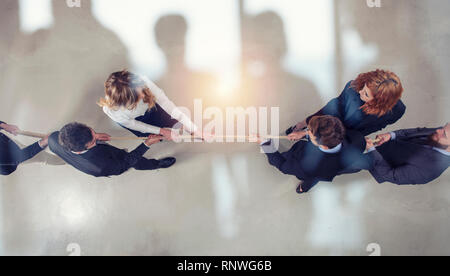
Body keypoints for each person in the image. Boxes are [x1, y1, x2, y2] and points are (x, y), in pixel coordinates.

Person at [255, 115, 370, 194]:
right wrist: (304, 134)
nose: (307, 130)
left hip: (315, 170)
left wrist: (265, 143)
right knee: (317, 176)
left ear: (322, 144)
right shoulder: (357, 139)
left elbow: (282, 165)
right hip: (332, 168)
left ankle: (305, 186)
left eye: (309, 131)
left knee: (312, 176)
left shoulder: (304, 165)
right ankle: (306, 186)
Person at [286, 69, 405, 137]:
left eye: (366, 94)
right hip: (335, 117)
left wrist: (357, 136)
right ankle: (302, 124)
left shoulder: (398, 110)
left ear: (380, 101)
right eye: (363, 87)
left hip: (352, 134)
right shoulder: (352, 88)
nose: (360, 92)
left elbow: (380, 125)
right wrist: (307, 127)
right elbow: (333, 110)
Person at [99, 70, 203, 141]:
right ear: (125, 101)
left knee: (171, 120)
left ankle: (190, 132)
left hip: (152, 109)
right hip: (138, 120)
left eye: (142, 90)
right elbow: (135, 125)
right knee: (154, 135)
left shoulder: (142, 81)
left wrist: (194, 129)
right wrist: (161, 131)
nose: (144, 95)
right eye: (138, 96)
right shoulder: (111, 110)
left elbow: (167, 105)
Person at [48, 122, 176, 178]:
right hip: (111, 161)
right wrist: (147, 144)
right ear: (82, 150)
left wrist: (95, 137)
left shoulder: (55, 138)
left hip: (97, 153)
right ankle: (155, 164)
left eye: (91, 131)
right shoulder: (100, 167)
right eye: (93, 141)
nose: (96, 137)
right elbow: (125, 163)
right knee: (134, 161)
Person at [365, 123, 450, 185]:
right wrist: (391, 135)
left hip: (372, 163)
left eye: (444, 135)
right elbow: (417, 132)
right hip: (378, 146)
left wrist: (371, 151)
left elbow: (391, 175)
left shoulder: (432, 169)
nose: (438, 130)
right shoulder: (441, 131)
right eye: (443, 127)